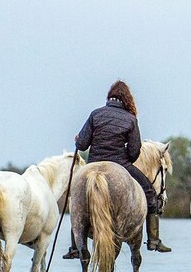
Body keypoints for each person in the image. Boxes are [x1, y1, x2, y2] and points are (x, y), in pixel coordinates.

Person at [62, 80, 171, 259]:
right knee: (149, 192)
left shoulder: (95, 114)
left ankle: (75, 246)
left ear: (109, 98)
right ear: (127, 99)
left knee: (76, 197)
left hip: (93, 164)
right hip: (120, 163)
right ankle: (153, 239)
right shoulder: (130, 119)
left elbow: (82, 145)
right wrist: (123, 158)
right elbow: (135, 152)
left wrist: (77, 140)